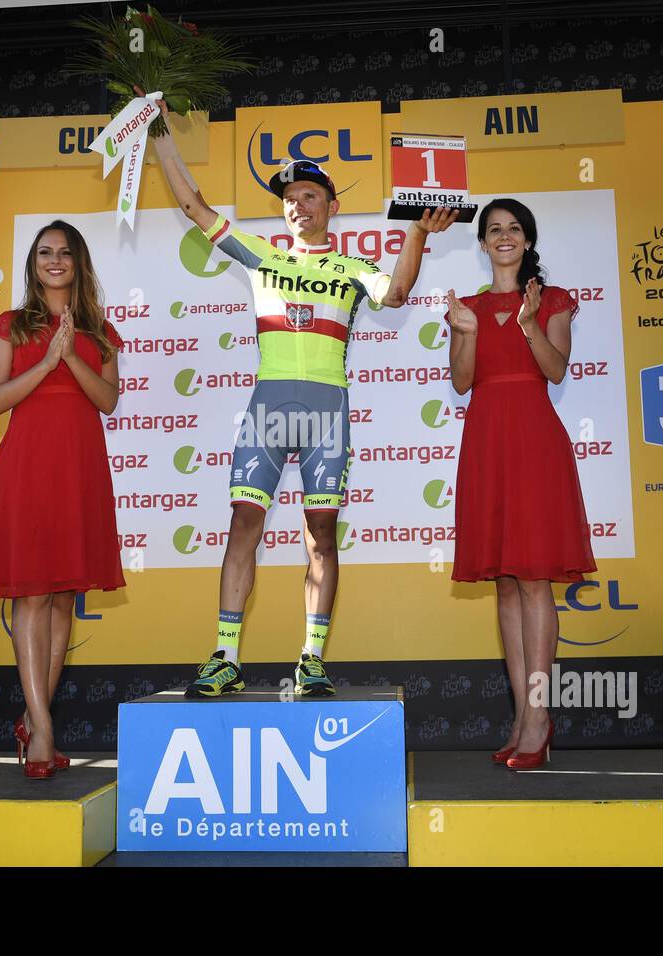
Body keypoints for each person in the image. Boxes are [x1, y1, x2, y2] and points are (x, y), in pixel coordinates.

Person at [145, 88, 457, 697]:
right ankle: (225, 656)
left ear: (331, 206)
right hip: (268, 409)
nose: (297, 206)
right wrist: (158, 129)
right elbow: (190, 204)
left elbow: (394, 295)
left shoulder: (350, 268)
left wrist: (418, 233)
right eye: (289, 199)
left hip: (327, 414)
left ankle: (312, 658)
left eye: (308, 196)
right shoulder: (260, 258)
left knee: (320, 533)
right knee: (243, 524)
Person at [0, 220, 126, 778]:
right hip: (28, 469)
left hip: (80, 471)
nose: (54, 261)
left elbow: (107, 401)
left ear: (79, 262)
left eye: (64, 253)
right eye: (44, 253)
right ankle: (44, 731)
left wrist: (72, 357)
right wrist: (44, 363)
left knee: (63, 598)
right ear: (33, 263)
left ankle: (36, 721)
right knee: (32, 597)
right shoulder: (11, 325)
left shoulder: (101, 330)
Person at [444, 198, 596, 770]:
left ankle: (538, 716)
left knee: (535, 581)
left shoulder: (551, 301)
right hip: (486, 441)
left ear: (527, 241)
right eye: (493, 231)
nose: (503, 237)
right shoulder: (469, 307)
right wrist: (465, 331)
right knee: (505, 583)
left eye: (514, 229)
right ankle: (521, 716)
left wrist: (529, 322)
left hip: (534, 441)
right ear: (481, 244)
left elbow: (555, 369)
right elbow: (462, 382)